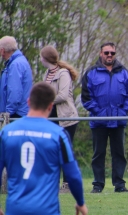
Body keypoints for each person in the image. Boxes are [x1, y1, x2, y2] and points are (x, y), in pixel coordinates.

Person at [0, 82, 88, 215]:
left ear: (28, 101)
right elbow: (72, 175)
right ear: (50, 106)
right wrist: (80, 202)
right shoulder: (58, 134)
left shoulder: (7, 132)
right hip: (45, 212)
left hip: (16, 211)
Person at [82, 42, 128, 193]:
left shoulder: (124, 72)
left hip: (118, 121)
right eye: (106, 53)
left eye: (112, 53)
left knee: (119, 153)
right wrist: (99, 113)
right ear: (101, 54)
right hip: (99, 122)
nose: (109, 55)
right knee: (98, 154)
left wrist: (123, 112)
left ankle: (119, 185)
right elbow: (86, 98)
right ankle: (98, 185)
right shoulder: (91, 72)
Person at [40, 45, 80, 193]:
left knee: (66, 151)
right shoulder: (47, 73)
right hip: (51, 118)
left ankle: (68, 184)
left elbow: (63, 96)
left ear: (45, 58)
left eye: (41, 57)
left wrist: (46, 101)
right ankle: (52, 183)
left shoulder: (63, 73)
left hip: (66, 118)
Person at [0, 36, 33, 118]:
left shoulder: (15, 65)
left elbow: (14, 91)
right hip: (21, 111)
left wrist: (7, 113)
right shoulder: (20, 61)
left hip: (16, 114)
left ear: (2, 50)